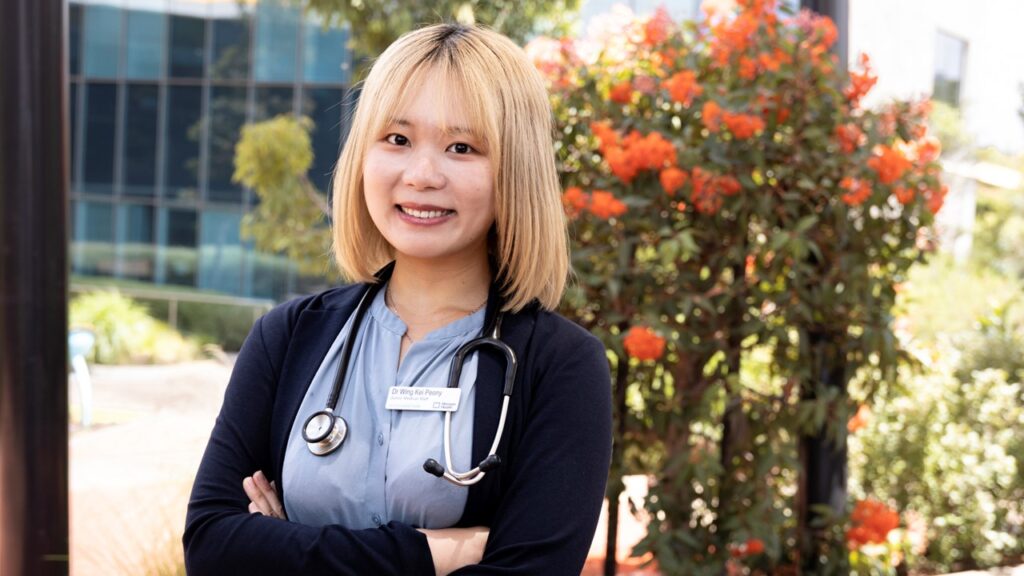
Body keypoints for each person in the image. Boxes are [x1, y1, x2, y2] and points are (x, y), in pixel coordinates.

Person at [184, 22, 612, 576]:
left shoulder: (560, 367)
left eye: (462, 147)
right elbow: (213, 548)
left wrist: (283, 545)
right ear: (364, 155)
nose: (422, 174)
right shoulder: (288, 338)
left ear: (514, 170)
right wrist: (432, 554)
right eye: (397, 140)